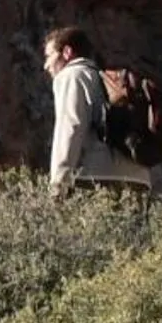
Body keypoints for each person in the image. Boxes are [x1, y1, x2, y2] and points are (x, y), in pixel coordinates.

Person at [42, 26, 146, 199]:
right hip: (138, 178)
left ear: (67, 52)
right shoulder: (107, 80)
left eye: (49, 56)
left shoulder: (71, 76)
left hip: (95, 179)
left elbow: (70, 127)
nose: (46, 65)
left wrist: (59, 183)